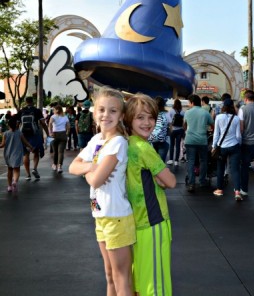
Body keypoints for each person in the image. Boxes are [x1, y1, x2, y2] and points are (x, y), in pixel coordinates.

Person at [69, 87, 136, 296]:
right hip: (100, 215)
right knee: (109, 274)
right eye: (102, 109)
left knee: (121, 276)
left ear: (122, 115)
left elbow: (96, 181)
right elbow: (73, 167)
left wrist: (89, 168)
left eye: (113, 111)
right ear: (94, 112)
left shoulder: (118, 143)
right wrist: (91, 166)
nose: (106, 115)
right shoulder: (96, 140)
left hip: (117, 217)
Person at [124, 93, 176, 296]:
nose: (147, 123)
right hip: (153, 223)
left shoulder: (127, 144)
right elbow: (170, 181)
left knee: (140, 281)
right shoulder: (144, 148)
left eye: (151, 117)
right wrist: (161, 179)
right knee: (155, 285)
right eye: (140, 117)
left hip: (136, 223)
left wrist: (158, 180)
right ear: (129, 119)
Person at [212, 98, 242, 200]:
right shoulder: (236, 118)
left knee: (220, 168)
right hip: (234, 146)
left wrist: (213, 146)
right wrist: (239, 144)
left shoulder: (219, 117)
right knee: (235, 170)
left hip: (222, 147)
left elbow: (216, 134)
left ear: (223, 106)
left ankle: (219, 190)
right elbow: (238, 135)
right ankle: (237, 192)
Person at [184, 94, 214, 192]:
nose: (188, 104)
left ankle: (191, 183)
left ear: (192, 103)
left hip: (190, 140)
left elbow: (184, 126)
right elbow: (212, 124)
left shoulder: (187, 113)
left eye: (189, 103)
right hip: (202, 140)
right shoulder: (205, 113)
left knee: (191, 161)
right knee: (203, 161)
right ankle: (202, 181)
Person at [17, 96, 49, 180]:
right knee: (36, 152)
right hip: (35, 134)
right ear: (33, 101)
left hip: (23, 135)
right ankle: (34, 168)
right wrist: (48, 133)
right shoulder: (37, 110)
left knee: (25, 154)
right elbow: (43, 123)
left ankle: (28, 175)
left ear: (25, 102)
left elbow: (17, 125)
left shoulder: (21, 111)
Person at [0, 116, 34, 193]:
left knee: (10, 170)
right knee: (17, 169)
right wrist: (30, 147)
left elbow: (2, 145)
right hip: (17, 153)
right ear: (16, 125)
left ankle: (9, 186)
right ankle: (15, 182)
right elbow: (25, 142)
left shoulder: (5, 134)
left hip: (8, 153)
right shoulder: (19, 133)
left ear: (8, 125)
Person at [48, 104, 70, 173]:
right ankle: (59, 166)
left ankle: (54, 165)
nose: (53, 111)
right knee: (61, 152)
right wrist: (67, 133)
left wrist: (50, 132)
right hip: (63, 134)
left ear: (57, 110)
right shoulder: (65, 117)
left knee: (55, 152)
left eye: (54, 109)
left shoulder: (53, 117)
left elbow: (50, 124)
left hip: (55, 134)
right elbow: (68, 126)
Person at [149, 96, 169, 162]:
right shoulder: (166, 114)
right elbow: (170, 126)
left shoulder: (151, 114)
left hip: (152, 140)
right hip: (163, 141)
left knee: (153, 163)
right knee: (161, 163)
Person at [166, 98, 185, 167]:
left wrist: (170, 129)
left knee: (172, 145)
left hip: (173, 130)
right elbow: (184, 122)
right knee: (178, 146)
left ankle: (171, 160)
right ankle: (176, 161)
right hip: (180, 130)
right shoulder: (183, 112)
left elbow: (169, 121)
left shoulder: (171, 111)